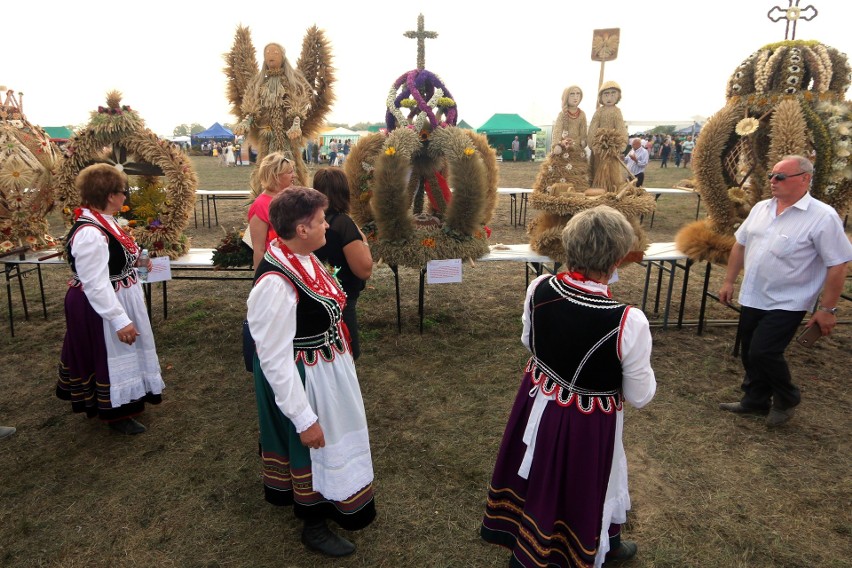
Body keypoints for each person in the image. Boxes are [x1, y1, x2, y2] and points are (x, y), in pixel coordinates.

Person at [481, 205, 656, 568]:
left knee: (547, 472)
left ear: (569, 246)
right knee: (580, 483)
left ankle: (609, 539)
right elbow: (640, 395)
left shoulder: (540, 287)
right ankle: (557, 551)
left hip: (538, 397)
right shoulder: (628, 321)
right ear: (618, 259)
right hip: (585, 421)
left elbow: (530, 342)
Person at [246, 187, 376, 557]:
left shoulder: (303, 256)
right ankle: (313, 523)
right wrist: (303, 417)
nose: (326, 228)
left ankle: (334, 496)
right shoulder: (275, 282)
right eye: (321, 221)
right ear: (302, 229)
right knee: (312, 444)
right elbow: (272, 358)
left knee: (334, 438)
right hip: (303, 375)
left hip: (324, 365)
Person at [718, 155, 852, 427]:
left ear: (804, 179)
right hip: (754, 293)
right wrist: (729, 281)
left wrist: (827, 309)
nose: (772, 181)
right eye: (771, 175)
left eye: (780, 176)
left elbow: (838, 264)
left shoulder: (822, 217)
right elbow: (740, 245)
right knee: (748, 351)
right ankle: (754, 400)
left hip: (789, 300)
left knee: (763, 352)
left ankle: (787, 397)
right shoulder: (760, 208)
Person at [56, 164, 164, 435]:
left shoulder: (107, 222)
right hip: (101, 305)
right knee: (112, 354)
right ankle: (115, 412)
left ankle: (128, 401)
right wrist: (118, 319)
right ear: (108, 195)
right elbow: (95, 283)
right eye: (121, 192)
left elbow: (120, 256)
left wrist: (139, 261)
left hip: (119, 294)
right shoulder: (91, 233)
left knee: (125, 352)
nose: (125, 197)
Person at [312, 168, 373, 361]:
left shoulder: (310, 220)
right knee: (346, 354)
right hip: (341, 301)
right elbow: (364, 270)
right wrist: (363, 240)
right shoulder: (342, 224)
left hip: (316, 297)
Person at [248, 152, 295, 270]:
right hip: (275, 268)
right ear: (275, 176)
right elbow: (259, 250)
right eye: (289, 172)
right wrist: (260, 279)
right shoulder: (260, 205)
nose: (294, 176)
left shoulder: (288, 198)